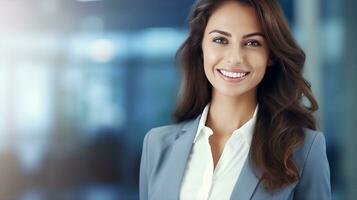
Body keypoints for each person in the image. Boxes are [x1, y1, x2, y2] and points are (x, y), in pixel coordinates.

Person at [139, 0, 331, 199]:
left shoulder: (303, 151)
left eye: (252, 43)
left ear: (271, 55)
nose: (235, 58)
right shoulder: (157, 145)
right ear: (201, 46)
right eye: (220, 40)